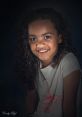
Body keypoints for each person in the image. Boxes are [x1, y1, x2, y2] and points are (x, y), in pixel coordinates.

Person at [20, 7, 81, 117]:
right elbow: (31, 97)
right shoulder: (32, 64)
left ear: (59, 38)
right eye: (33, 39)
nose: (39, 44)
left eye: (47, 37)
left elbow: (69, 107)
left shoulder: (68, 61)